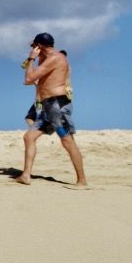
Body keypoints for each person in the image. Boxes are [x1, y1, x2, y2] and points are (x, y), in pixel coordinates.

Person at [17, 34, 87, 187]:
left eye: (34, 46)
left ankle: (82, 180)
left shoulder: (55, 58)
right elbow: (33, 80)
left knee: (67, 141)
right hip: (48, 107)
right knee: (29, 137)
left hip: (58, 106)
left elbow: (28, 79)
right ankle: (26, 175)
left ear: (39, 46)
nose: (32, 49)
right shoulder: (46, 59)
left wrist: (31, 59)